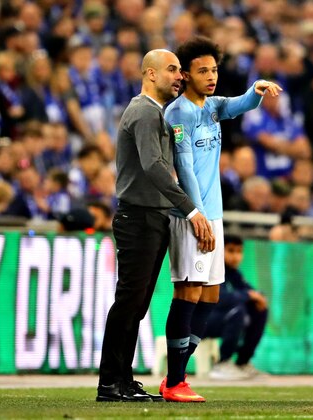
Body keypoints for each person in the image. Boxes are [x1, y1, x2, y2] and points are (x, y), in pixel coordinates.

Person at [161, 36, 282, 402]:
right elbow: (184, 167)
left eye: (213, 69)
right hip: (191, 215)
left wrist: (256, 91)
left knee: (210, 296)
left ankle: (176, 376)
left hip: (213, 216)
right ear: (185, 75)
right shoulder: (178, 113)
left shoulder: (212, 106)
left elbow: (237, 104)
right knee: (189, 291)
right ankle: (176, 379)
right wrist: (196, 215)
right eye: (202, 71)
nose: (211, 76)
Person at [96, 49, 214, 403]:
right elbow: (153, 166)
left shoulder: (157, 113)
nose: (180, 76)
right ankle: (109, 383)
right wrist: (190, 210)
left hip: (152, 215)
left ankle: (123, 378)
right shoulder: (145, 113)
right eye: (172, 69)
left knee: (137, 303)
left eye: (180, 69)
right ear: (150, 74)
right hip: (140, 216)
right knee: (129, 301)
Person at [206, 235, 268, 380]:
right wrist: (249, 295)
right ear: (221, 251)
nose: (236, 256)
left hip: (223, 318)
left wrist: (259, 297)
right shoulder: (214, 269)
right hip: (202, 322)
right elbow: (219, 298)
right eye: (231, 251)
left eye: (239, 252)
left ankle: (243, 362)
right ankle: (222, 364)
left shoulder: (234, 273)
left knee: (260, 311)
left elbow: (251, 292)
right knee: (237, 311)